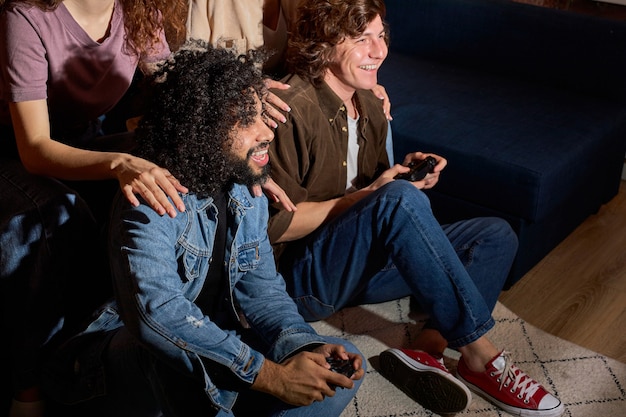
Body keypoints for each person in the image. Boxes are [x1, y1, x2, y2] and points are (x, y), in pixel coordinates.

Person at [266, 1, 565, 416]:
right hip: (306, 279)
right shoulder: (291, 108)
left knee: (495, 235)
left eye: (381, 34)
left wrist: (403, 176)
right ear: (324, 45)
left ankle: (427, 349)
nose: (379, 50)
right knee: (398, 199)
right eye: (361, 39)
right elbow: (276, 226)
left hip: (361, 266)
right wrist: (374, 195)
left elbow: (376, 194)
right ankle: (481, 357)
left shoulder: (370, 102)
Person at [40, 43, 365, 417]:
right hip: (117, 365)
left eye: (262, 115)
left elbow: (261, 289)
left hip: (210, 346)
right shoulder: (151, 200)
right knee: (173, 354)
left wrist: (300, 346)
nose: (267, 132)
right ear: (201, 130)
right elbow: (156, 315)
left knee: (343, 364)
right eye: (246, 120)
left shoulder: (247, 186)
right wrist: (269, 376)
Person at [0, 1, 190, 416]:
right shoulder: (27, 15)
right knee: (55, 211)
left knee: (173, 166)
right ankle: (26, 389)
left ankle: (131, 341)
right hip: (12, 153)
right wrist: (119, 164)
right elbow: (34, 151)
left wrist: (240, 94)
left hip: (82, 141)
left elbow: (176, 88)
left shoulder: (139, 10)